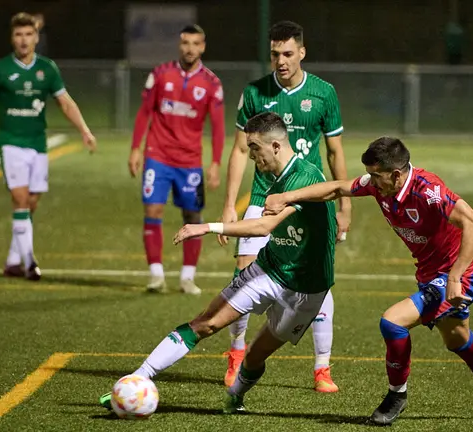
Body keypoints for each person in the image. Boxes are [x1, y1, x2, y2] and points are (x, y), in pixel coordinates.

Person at [264, 137, 473, 425]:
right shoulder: (379, 184)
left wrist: (455, 276)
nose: (371, 182)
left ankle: (396, 395)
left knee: (393, 322)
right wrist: (287, 197)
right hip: (429, 275)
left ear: (396, 175)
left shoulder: (428, 190)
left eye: (376, 176)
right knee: (456, 338)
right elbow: (337, 188)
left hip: (457, 277)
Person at [100, 112, 337, 413]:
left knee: (256, 356)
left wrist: (207, 227)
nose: (251, 155)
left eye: (255, 148)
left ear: (276, 146)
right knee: (205, 323)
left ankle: (235, 397)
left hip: (307, 287)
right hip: (270, 269)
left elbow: (263, 227)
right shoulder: (271, 175)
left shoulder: (306, 177)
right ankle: (136, 380)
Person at [220, 20, 348, 392]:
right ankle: (237, 353)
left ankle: (322, 368)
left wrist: (345, 206)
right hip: (263, 198)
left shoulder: (324, 93)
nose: (281, 61)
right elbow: (239, 150)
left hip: (308, 199)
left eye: (288, 53)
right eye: (275, 54)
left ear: (302, 52)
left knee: (318, 279)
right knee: (244, 274)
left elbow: (335, 152)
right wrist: (229, 204)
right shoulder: (254, 93)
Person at [0, 12, 97, 281]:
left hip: (38, 144)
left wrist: (84, 130)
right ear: (12, 38)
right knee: (21, 200)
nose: (23, 40)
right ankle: (29, 262)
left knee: (31, 203)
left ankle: (13, 261)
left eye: (28, 34)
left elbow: (65, 102)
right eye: (18, 35)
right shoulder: (0, 69)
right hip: (11, 143)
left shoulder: (47, 68)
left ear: (36, 38)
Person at [129, 24, 225, 294]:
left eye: (195, 43)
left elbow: (218, 127)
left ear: (203, 47)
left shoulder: (211, 84)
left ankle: (187, 277)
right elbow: (144, 112)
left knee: (193, 216)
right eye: (185, 43)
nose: (190, 49)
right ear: (179, 45)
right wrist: (135, 148)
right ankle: (156, 275)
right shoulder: (160, 74)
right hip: (157, 155)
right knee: (153, 210)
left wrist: (215, 163)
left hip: (190, 161)